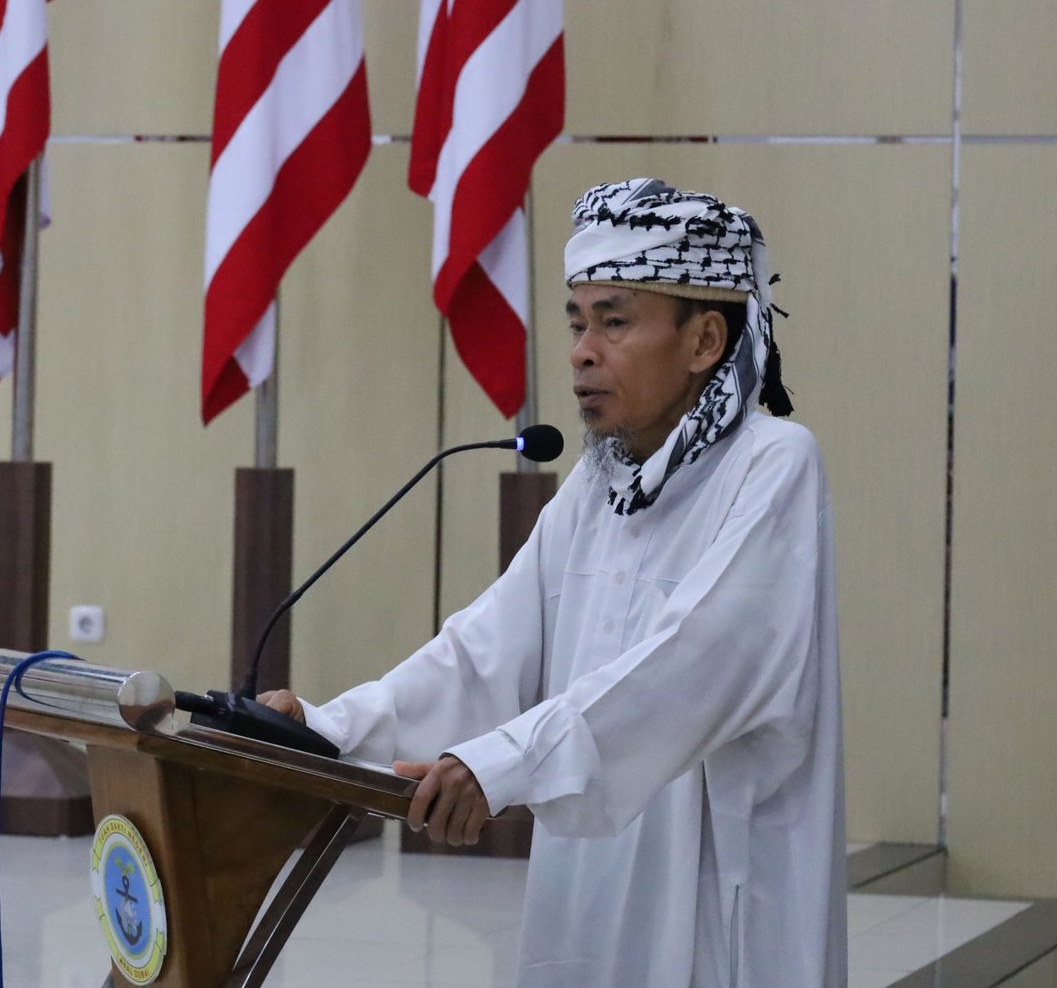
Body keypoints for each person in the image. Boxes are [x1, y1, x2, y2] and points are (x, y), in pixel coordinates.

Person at [261, 179, 844, 987]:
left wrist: (501, 765)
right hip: (591, 886)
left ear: (706, 340)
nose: (580, 351)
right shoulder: (602, 483)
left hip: (718, 901)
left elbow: (691, 662)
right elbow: (484, 653)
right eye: (576, 323)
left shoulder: (773, 463)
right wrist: (327, 731)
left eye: (614, 322)